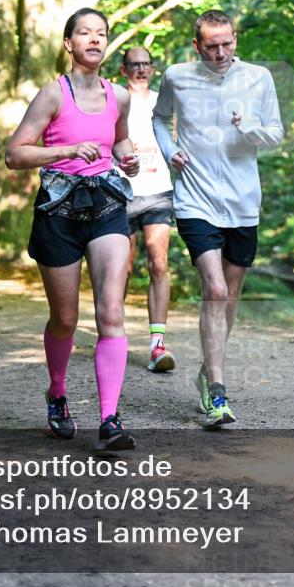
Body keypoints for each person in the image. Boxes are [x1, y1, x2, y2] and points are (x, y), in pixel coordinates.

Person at [6, 8, 140, 451]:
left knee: (111, 312)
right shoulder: (52, 95)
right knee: (65, 319)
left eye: (101, 33)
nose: (95, 39)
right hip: (59, 211)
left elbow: (119, 139)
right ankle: (58, 393)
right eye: (85, 33)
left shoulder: (120, 96)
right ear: (69, 43)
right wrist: (64, 151)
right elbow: (15, 154)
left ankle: (110, 420)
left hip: (106, 206)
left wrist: (127, 158)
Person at [152, 10, 283, 429]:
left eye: (227, 43)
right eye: (212, 46)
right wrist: (169, 150)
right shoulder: (177, 77)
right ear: (197, 46)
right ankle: (219, 392)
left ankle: (210, 368)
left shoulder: (259, 78)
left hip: (243, 201)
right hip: (196, 199)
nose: (221, 52)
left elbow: (276, 134)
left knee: (231, 295)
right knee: (215, 289)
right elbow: (159, 118)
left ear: (235, 39)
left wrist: (249, 129)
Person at [119, 47, 176, 373]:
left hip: (158, 191)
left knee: (158, 262)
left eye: (146, 64)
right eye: (134, 65)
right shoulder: (114, 100)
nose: (141, 69)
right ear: (123, 70)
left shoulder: (163, 102)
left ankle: (157, 345)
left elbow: (179, 137)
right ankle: (113, 335)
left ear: (153, 69)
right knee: (122, 269)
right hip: (123, 193)